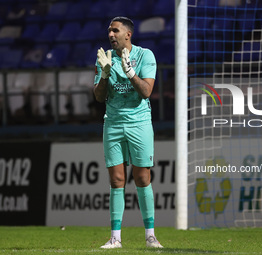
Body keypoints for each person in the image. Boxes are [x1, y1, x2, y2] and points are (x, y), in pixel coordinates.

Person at [93, 16, 163, 249]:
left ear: (128, 34)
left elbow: (146, 91)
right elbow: (99, 97)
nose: (110, 35)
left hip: (139, 123)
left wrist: (130, 72)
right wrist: (104, 75)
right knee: (116, 180)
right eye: (109, 31)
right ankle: (115, 238)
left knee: (142, 177)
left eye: (115, 31)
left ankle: (150, 236)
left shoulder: (146, 56)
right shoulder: (105, 58)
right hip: (112, 124)